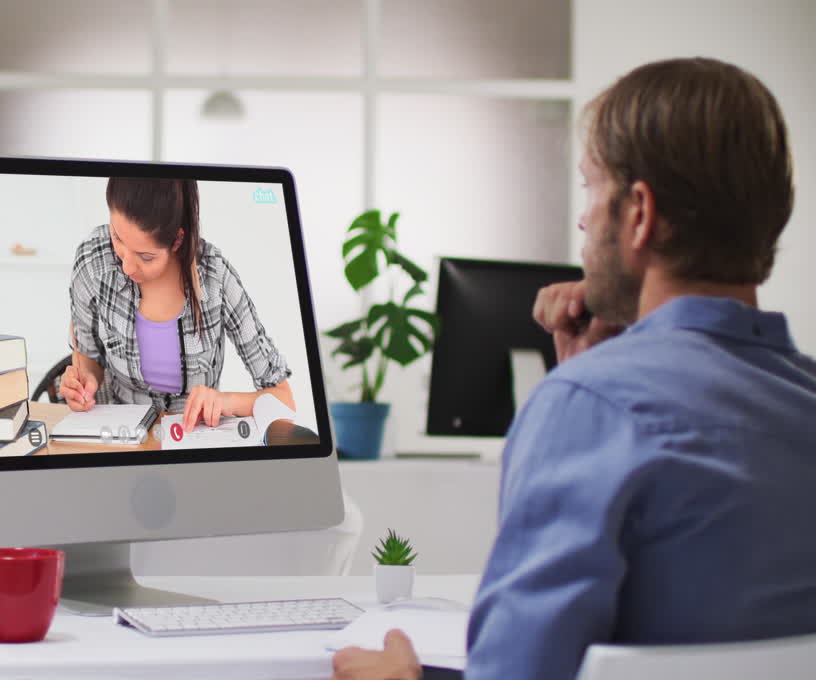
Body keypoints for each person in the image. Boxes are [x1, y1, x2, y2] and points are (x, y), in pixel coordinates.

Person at [332, 56, 816, 680]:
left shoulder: (590, 406)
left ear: (639, 213)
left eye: (592, 189)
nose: (584, 219)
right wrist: (588, 379)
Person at [59, 177, 295, 431]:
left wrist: (226, 401)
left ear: (177, 240)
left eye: (146, 257)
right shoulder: (93, 261)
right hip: (117, 442)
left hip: (193, 443)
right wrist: (85, 381)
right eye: (117, 238)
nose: (126, 266)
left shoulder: (216, 279)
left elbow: (284, 400)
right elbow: (88, 357)